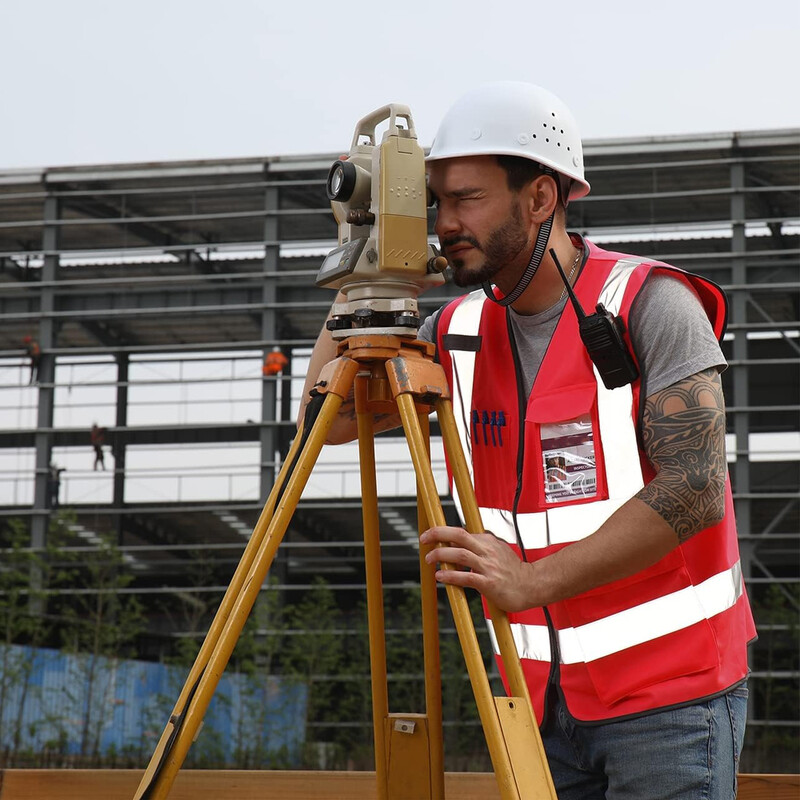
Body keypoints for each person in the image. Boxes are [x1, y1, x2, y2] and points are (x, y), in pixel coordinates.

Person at [302, 82, 755, 799]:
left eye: (467, 199)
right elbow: (326, 422)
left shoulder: (652, 305)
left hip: (670, 700)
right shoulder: (451, 332)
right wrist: (362, 265)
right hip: (535, 703)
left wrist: (531, 581)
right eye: (435, 200)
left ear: (541, 199)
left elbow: (695, 490)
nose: (444, 222)